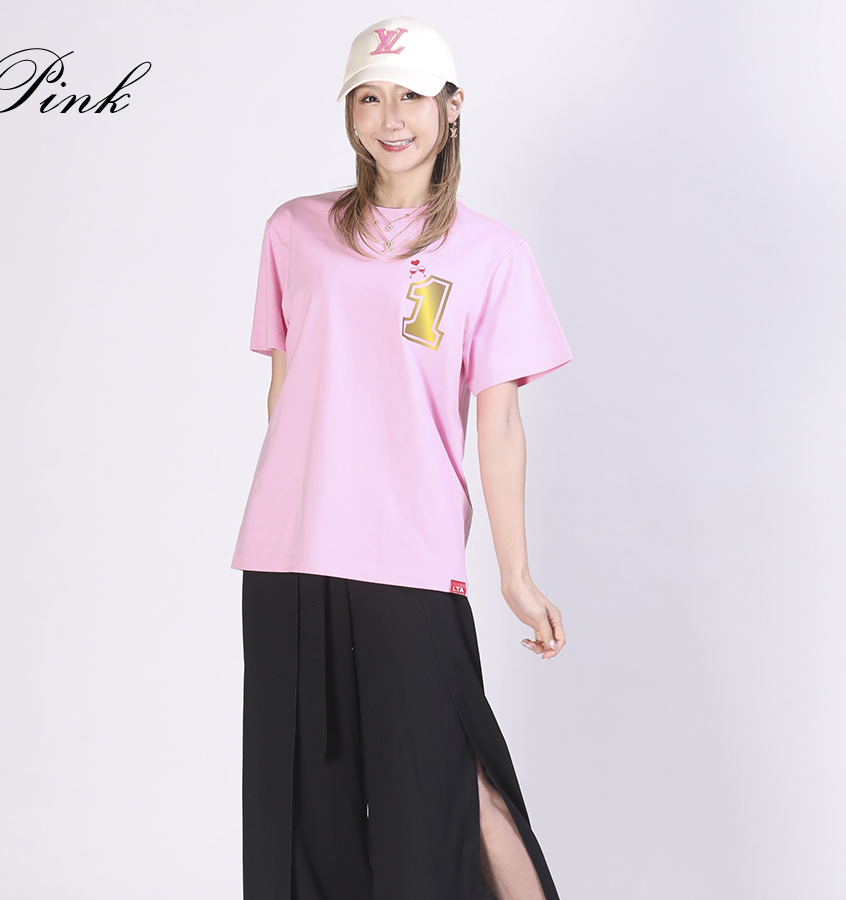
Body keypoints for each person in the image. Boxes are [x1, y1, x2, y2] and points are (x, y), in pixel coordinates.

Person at [232, 15, 573, 900]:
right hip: (288, 555)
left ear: (451, 106)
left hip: (409, 555)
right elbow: (285, 391)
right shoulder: (293, 230)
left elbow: (499, 423)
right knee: (307, 806)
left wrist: (515, 573)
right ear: (349, 111)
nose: (391, 118)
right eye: (370, 98)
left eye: (412, 96)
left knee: (456, 786)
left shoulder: (492, 254)